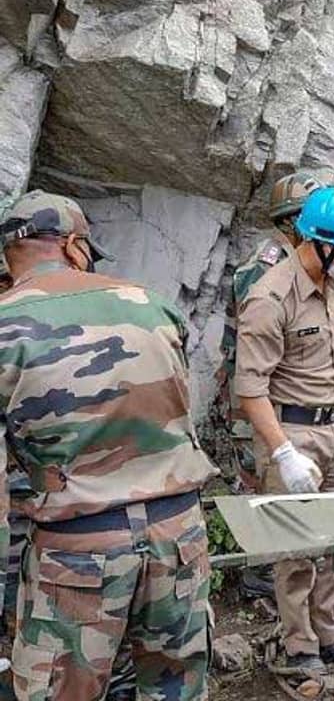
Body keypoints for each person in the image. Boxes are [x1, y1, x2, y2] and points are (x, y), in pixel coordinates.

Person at [0, 190, 218, 700]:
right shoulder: (152, 304)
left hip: (79, 553)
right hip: (180, 536)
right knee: (176, 691)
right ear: (76, 247)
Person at [234, 187, 334, 672]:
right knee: (297, 549)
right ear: (320, 242)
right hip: (291, 432)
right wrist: (282, 455)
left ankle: (331, 630)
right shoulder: (269, 297)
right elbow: (251, 389)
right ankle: (300, 647)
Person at [215, 172, 321, 599]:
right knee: (259, 480)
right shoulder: (265, 270)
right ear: (291, 223)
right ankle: (258, 571)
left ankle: (284, 565)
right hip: (256, 397)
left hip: (284, 397)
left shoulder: (306, 265)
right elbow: (258, 352)